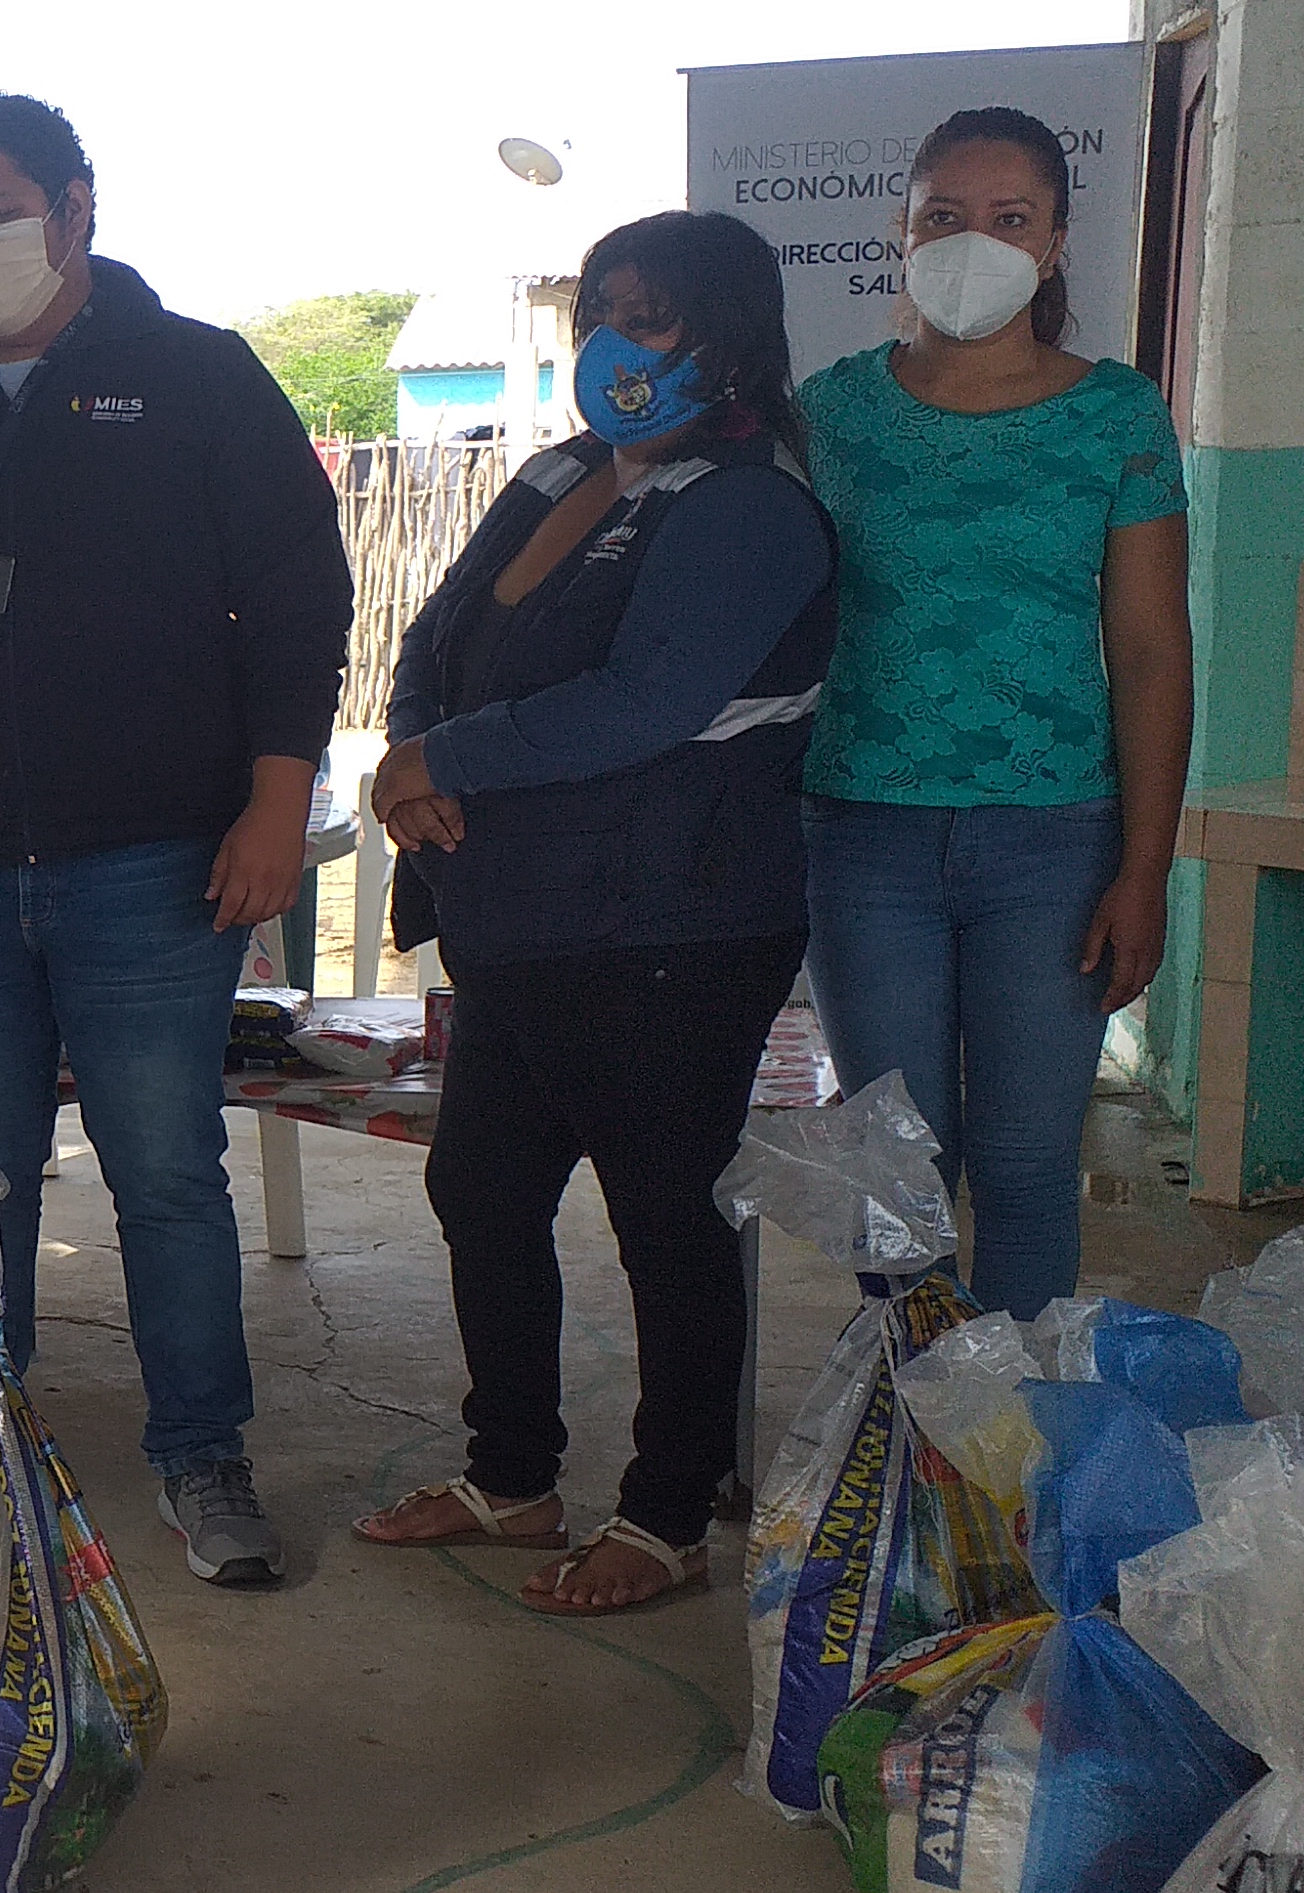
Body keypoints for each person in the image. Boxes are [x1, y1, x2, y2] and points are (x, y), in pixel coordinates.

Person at [0, 94, 351, 1586]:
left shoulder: (199, 379)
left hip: (156, 863)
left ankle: (203, 1455)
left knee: (166, 1170)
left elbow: (300, 596)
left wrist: (278, 798)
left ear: (76, 207)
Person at [346, 212, 837, 1613]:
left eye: (655, 314)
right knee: (483, 1189)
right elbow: (436, 637)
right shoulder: (560, 471)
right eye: (604, 313)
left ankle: (667, 1515)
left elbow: (646, 702)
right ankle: (511, 1477)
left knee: (665, 1220)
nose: (621, 341)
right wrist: (413, 757)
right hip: (520, 915)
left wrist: (444, 760)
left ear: (729, 333)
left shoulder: (749, 505)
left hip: (671, 926)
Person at [793, 105, 1194, 1316]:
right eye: (945, 215)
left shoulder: (1117, 416)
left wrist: (1145, 868)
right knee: (897, 1172)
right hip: (862, 835)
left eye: (1010, 217)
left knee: (1024, 1167)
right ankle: (913, 1414)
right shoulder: (830, 412)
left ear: (1057, 242)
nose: (975, 240)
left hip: (1055, 842)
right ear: (901, 232)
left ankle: (1013, 1424)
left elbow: (1150, 651)